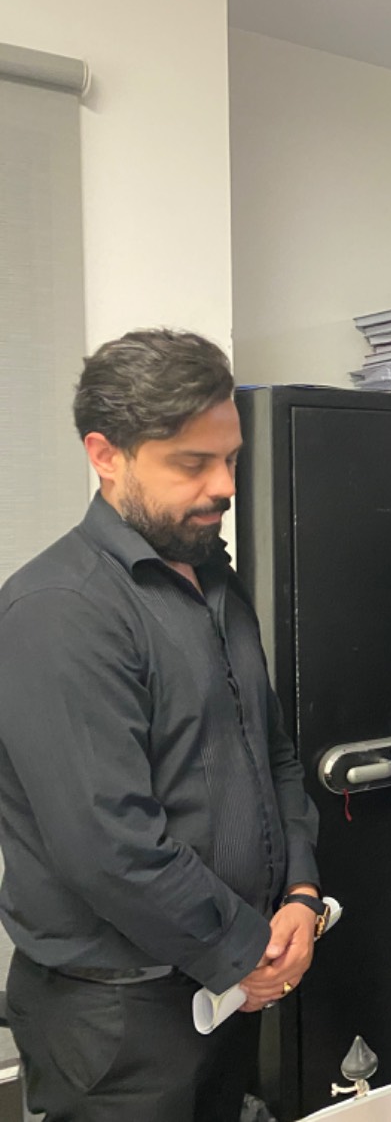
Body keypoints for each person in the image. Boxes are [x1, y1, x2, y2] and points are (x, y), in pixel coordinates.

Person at [0, 328, 323, 1121]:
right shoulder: (60, 610)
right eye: (192, 463)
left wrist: (300, 891)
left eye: (231, 459)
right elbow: (110, 844)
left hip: (224, 981)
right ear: (105, 455)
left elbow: (273, 752)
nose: (224, 486)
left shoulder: (215, 581)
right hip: (117, 1021)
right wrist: (244, 948)